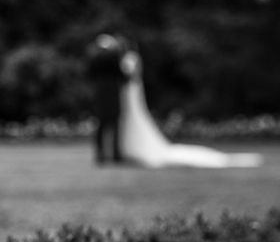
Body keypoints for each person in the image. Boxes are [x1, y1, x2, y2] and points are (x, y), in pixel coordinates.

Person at [117, 43, 263, 168]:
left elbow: (132, 74)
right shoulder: (127, 58)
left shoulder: (131, 57)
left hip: (131, 88)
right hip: (128, 89)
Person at [87, 34, 130, 164]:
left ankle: (100, 154)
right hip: (112, 91)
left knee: (101, 124)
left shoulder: (95, 58)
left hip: (100, 93)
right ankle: (116, 154)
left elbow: (90, 74)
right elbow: (122, 76)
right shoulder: (114, 57)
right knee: (115, 123)